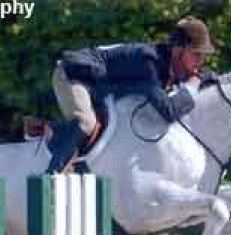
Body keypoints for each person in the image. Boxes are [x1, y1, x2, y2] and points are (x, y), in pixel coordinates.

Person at [47, 16, 216, 173]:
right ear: (178, 50)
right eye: (196, 54)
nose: (200, 61)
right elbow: (169, 111)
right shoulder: (148, 64)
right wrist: (194, 85)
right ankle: (52, 175)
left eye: (203, 55)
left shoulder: (169, 66)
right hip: (72, 75)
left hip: (99, 83)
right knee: (86, 123)